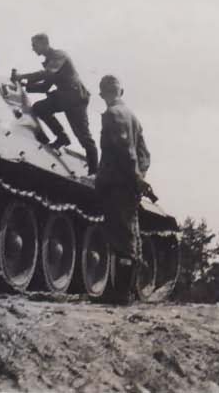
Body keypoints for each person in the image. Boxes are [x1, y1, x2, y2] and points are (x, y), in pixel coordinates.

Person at [94, 74, 150, 302]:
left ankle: (121, 294)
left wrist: (134, 177)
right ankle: (125, 290)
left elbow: (125, 151)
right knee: (129, 234)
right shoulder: (132, 116)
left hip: (117, 183)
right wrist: (140, 177)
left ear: (102, 94)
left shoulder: (112, 114)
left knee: (120, 236)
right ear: (121, 91)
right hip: (127, 183)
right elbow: (144, 154)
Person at [14, 33, 98, 175]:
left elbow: (46, 74)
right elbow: (45, 87)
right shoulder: (50, 61)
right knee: (40, 108)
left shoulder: (59, 55)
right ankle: (62, 137)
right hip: (64, 97)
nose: (33, 49)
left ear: (44, 43)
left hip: (75, 98)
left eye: (35, 45)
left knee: (83, 137)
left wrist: (22, 76)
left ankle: (94, 171)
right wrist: (24, 84)